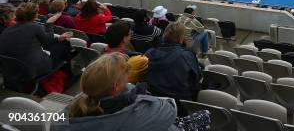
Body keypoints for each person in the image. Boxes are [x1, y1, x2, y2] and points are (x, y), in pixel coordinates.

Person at [61, 52, 210, 131]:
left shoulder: (69, 112)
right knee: (205, 116)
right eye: (125, 76)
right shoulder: (143, 110)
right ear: (115, 87)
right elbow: (170, 108)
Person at [0, 2, 72, 79]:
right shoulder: (35, 27)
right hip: (32, 70)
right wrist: (49, 23)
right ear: (34, 15)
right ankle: (68, 76)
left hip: (13, 70)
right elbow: (48, 41)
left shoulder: (7, 30)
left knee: (58, 45)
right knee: (65, 45)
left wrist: (57, 39)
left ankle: (64, 75)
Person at [145, 22, 202, 101]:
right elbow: (197, 78)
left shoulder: (149, 53)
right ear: (181, 39)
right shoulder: (187, 55)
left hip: (154, 99)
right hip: (180, 102)